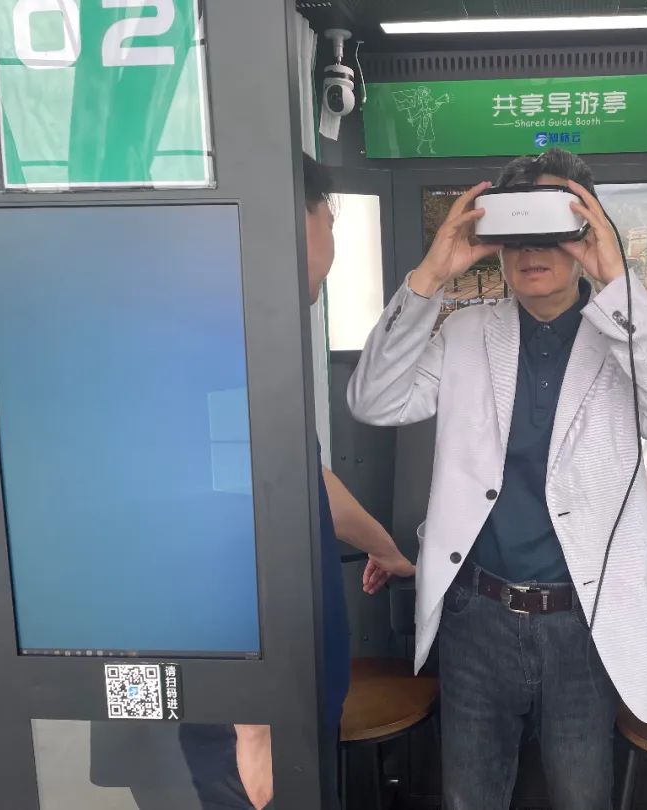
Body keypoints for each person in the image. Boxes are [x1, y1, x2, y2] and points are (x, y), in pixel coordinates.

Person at [349, 148, 647, 809]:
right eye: (516, 233)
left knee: (581, 796)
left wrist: (617, 280)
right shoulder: (467, 334)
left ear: (587, 233)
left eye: (554, 230)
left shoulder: (623, 332)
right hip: (476, 616)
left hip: (584, 620)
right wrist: (431, 275)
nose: (532, 251)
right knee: (469, 796)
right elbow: (375, 400)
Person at [179, 153, 416, 810]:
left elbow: (301, 479)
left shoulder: (258, 334)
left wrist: (385, 548)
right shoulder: (222, 344)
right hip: (257, 715)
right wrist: (254, 723)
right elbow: (218, 533)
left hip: (291, 699)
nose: (331, 237)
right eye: (328, 216)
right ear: (302, 217)